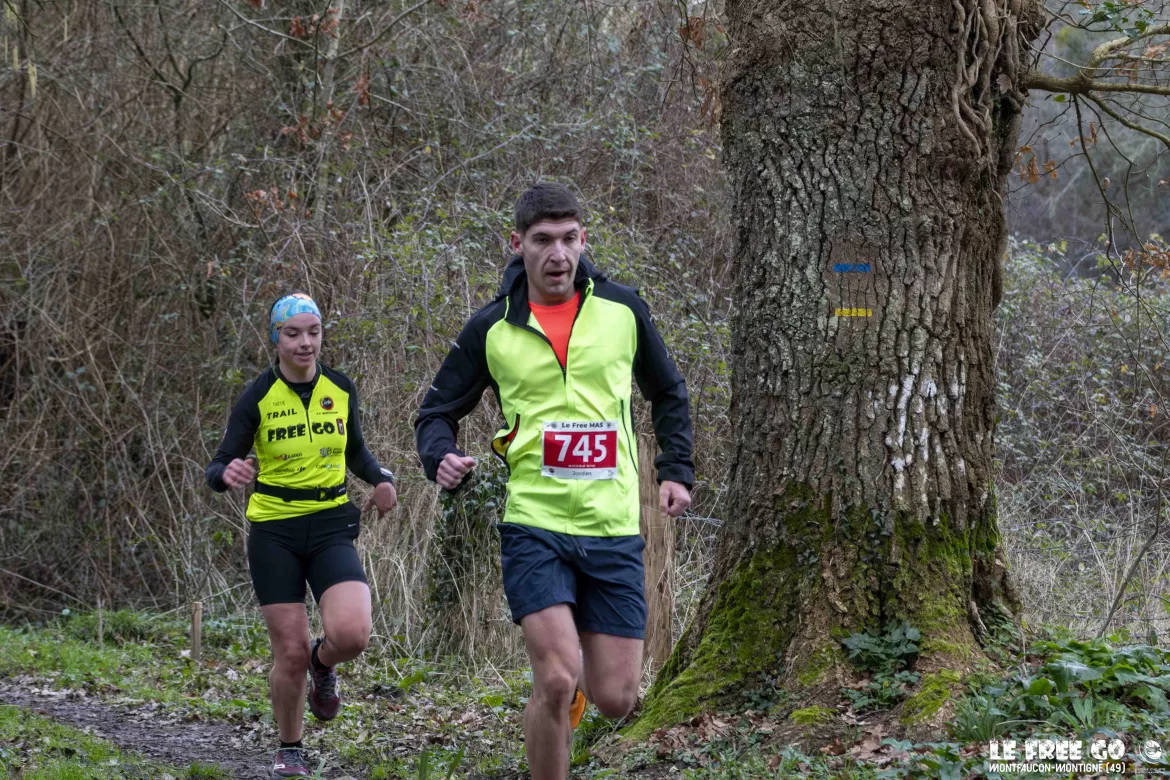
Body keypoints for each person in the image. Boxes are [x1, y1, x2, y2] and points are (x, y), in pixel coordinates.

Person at [415, 183, 694, 779]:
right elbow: (435, 411)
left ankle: (563, 701)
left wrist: (675, 470)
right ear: (517, 244)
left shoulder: (623, 310)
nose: (558, 255)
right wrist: (440, 456)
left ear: (584, 239)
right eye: (543, 240)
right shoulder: (491, 327)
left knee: (616, 698)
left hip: (612, 522)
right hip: (534, 523)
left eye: (569, 239)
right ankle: (552, 713)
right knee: (558, 677)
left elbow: (668, 390)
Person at [205, 292, 397, 780]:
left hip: (331, 523)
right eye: (293, 334)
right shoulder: (257, 397)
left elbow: (356, 451)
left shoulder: (341, 388)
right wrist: (226, 474)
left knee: (352, 635)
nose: (305, 342)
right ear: (276, 339)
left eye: (313, 332)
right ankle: (290, 748)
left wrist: (380, 479)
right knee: (287, 653)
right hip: (275, 531)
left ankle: (322, 661)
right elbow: (218, 463)